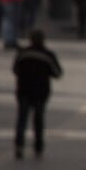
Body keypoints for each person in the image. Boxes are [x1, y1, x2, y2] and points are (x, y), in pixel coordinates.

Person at [12, 29, 63, 159]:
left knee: (22, 119)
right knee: (38, 119)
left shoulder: (23, 53)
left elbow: (15, 70)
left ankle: (19, 144)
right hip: (41, 91)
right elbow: (57, 73)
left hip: (23, 90)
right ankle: (38, 144)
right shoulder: (48, 55)